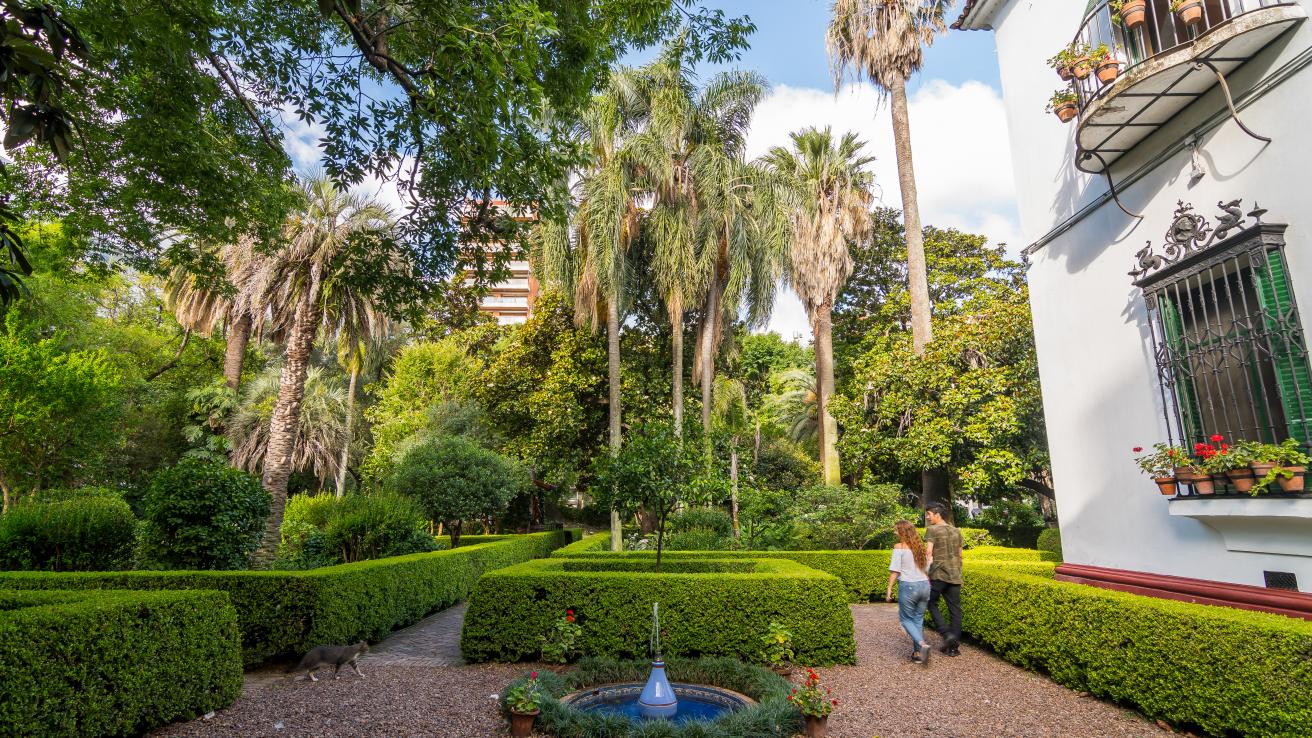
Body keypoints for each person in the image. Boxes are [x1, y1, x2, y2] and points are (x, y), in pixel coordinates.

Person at [885, 519, 933, 666]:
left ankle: (922, 644)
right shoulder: (921, 548)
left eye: (896, 529)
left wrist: (888, 590)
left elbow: (895, 571)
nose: (894, 532)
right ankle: (917, 653)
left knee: (905, 619)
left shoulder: (899, 547)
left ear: (902, 532)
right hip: (925, 586)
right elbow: (927, 569)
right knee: (918, 619)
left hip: (909, 587)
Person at [924, 503, 963, 656]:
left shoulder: (932, 530)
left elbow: (928, 553)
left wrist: (925, 571)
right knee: (955, 610)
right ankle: (953, 648)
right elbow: (960, 555)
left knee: (929, 601)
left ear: (937, 514)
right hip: (955, 574)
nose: (927, 517)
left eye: (929, 514)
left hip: (939, 573)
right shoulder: (956, 531)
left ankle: (947, 634)